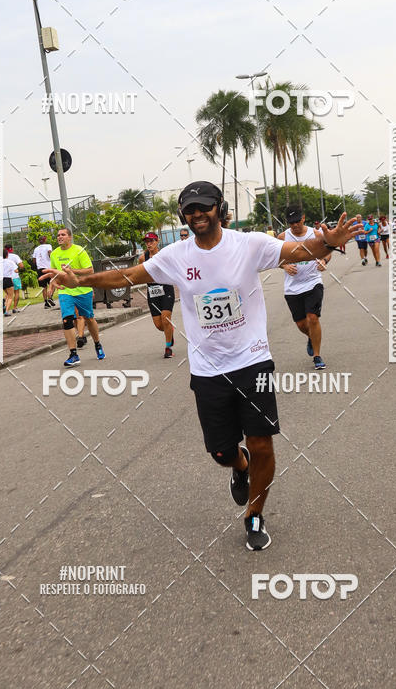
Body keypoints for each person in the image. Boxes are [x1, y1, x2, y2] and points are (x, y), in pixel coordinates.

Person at [41, 181, 362, 551]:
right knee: (223, 452)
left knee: (261, 442)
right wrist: (79, 278)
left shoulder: (249, 244)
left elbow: (300, 249)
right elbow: (128, 275)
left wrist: (330, 240)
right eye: (190, 209)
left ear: (219, 207)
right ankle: (239, 469)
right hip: (208, 370)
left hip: (252, 361)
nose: (197, 214)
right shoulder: (176, 256)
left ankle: (254, 513)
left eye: (204, 207)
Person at [277, 205, 331, 370]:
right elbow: (275, 258)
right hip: (292, 288)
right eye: (291, 222)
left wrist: (324, 261)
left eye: (297, 221)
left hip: (313, 281)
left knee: (312, 318)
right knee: (301, 324)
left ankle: (317, 356)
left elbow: (328, 250)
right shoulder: (282, 237)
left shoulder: (315, 234)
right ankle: (311, 337)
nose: (294, 225)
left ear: (303, 218)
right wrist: (284, 266)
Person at [47, 227, 105, 366]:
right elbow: (54, 273)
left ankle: (97, 344)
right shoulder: (54, 254)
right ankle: (73, 354)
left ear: (70, 237)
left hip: (83, 290)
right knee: (67, 320)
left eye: (63, 234)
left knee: (88, 318)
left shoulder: (79, 250)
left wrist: (71, 271)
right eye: (58, 235)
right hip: (65, 291)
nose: (59, 237)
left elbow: (90, 270)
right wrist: (51, 285)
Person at [138, 232, 176, 358]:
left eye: (152, 241)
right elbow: (140, 273)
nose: (149, 244)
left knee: (165, 319)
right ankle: (170, 332)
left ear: (157, 241)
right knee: (159, 325)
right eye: (147, 242)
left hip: (166, 290)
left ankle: (168, 347)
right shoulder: (143, 258)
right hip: (153, 292)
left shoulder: (164, 255)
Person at [32, 235, 54, 309]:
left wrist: (38, 264)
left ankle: (46, 303)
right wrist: (52, 259)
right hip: (48, 268)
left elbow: (34, 260)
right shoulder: (48, 246)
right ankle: (50, 297)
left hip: (40, 269)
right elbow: (49, 253)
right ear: (45, 240)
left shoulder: (36, 249)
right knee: (52, 283)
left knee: (43, 287)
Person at [6, 245, 24, 312]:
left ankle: (6, 307)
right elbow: (21, 266)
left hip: (6, 277)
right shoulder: (15, 256)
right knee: (16, 292)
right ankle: (14, 308)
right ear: (12, 249)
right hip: (15, 277)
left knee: (8, 294)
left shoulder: (2, 258)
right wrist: (18, 269)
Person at [1, 248, 18, 316]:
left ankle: (4, 305)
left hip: (1, 280)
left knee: (7, 294)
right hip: (8, 279)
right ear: (7, 255)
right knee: (11, 296)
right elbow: (16, 270)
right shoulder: (10, 262)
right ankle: (6, 311)